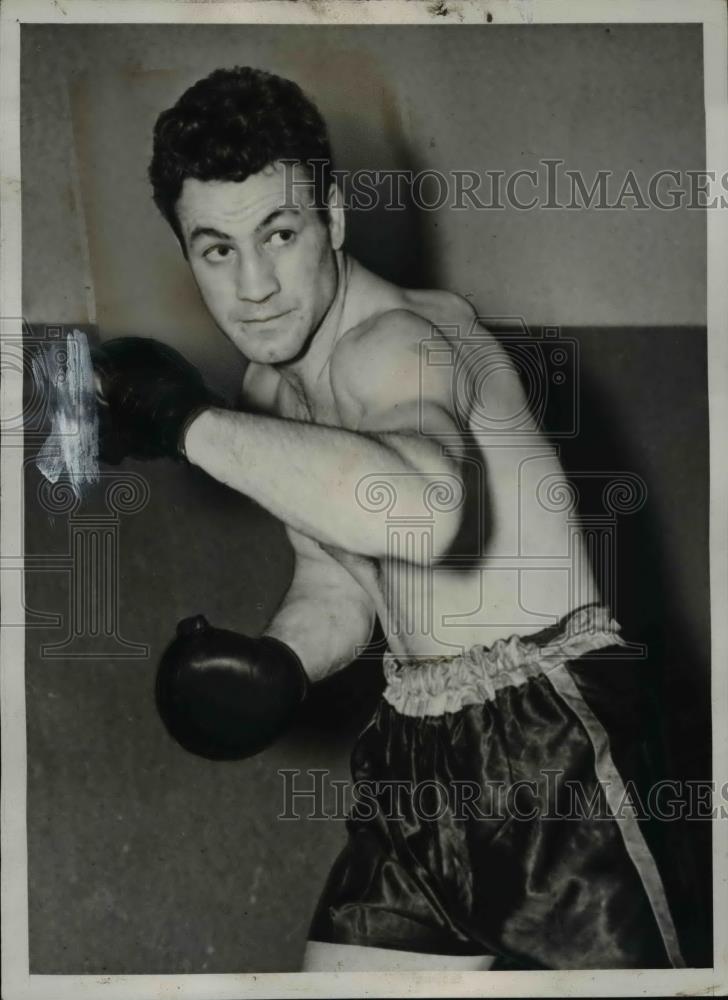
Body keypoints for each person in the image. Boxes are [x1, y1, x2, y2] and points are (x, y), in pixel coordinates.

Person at [93, 66, 685, 971]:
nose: (254, 285)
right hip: (419, 753)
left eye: (279, 234)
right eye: (217, 249)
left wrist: (188, 423)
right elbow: (344, 574)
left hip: (551, 748)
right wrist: (280, 663)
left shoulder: (399, 340)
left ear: (331, 219)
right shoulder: (271, 386)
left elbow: (423, 509)